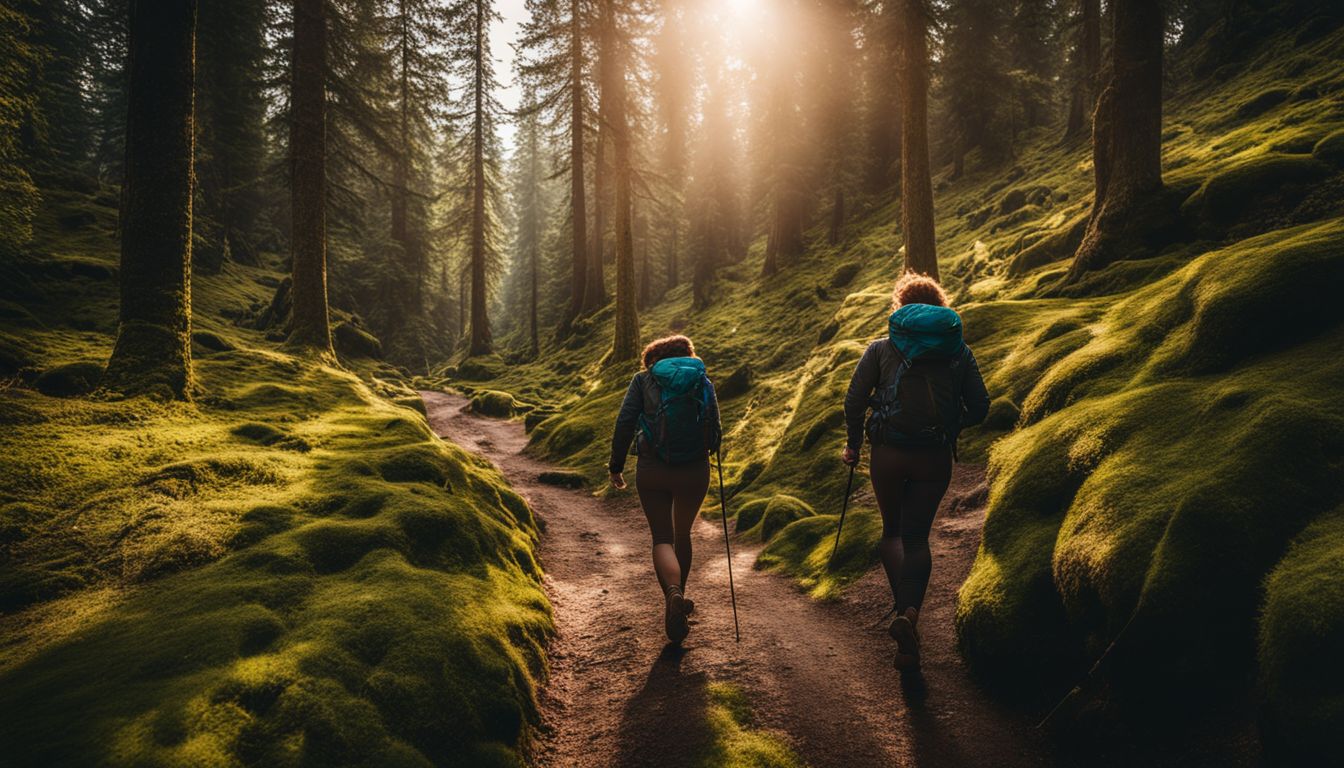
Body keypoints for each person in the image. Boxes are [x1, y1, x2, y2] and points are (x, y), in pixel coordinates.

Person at [842, 273, 989, 669]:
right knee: (917, 537)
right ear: (940, 309)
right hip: (934, 456)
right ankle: (909, 615)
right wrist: (951, 426)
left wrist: (854, 444)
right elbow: (980, 407)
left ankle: (904, 613)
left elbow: (853, 402)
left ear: (899, 309)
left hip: (888, 452)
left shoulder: (880, 349)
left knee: (891, 533)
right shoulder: (960, 352)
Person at [609, 335, 722, 644]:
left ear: (652, 359)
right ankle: (679, 602)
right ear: (686, 354)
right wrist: (712, 450)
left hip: (652, 469)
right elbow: (714, 423)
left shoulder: (643, 380)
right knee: (682, 534)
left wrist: (615, 466)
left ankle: (672, 594)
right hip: (695, 470)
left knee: (662, 537)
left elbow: (624, 422)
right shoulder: (700, 377)